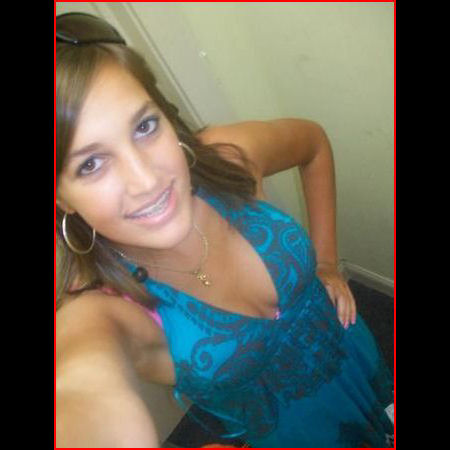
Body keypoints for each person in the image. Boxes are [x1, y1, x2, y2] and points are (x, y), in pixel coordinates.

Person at [55, 12, 394, 448]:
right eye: (90, 164)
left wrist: (327, 263)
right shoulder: (104, 311)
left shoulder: (224, 160)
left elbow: (312, 144)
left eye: (144, 126)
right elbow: (81, 388)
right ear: (62, 198)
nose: (146, 180)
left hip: (359, 355)